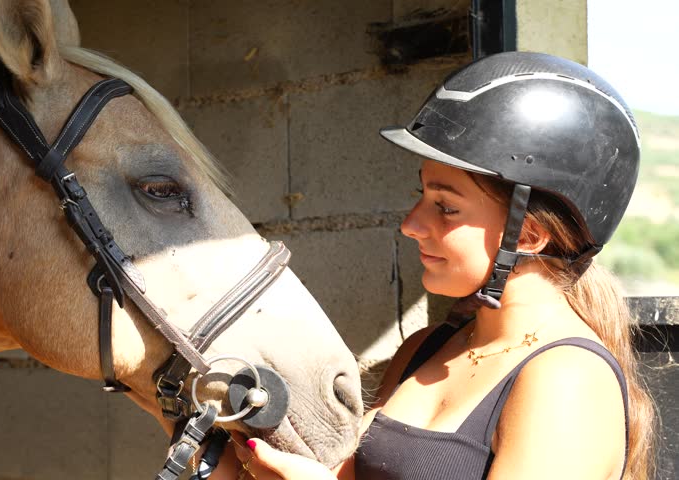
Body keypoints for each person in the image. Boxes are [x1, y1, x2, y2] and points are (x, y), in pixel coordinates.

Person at [223, 51, 657, 480]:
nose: (411, 225)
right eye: (422, 196)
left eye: (445, 207)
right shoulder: (426, 348)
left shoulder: (568, 380)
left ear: (527, 235)